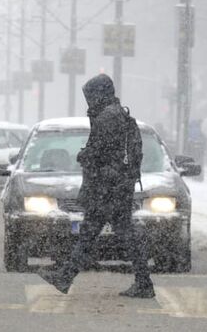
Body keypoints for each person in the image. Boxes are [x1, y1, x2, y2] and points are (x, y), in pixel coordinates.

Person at [39, 74, 155, 299]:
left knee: (108, 234)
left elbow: (100, 150)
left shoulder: (107, 117)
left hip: (108, 188)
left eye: (90, 95)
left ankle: (143, 282)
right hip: (115, 186)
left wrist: (84, 155)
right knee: (94, 234)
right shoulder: (117, 113)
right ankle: (66, 276)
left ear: (98, 94)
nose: (88, 101)